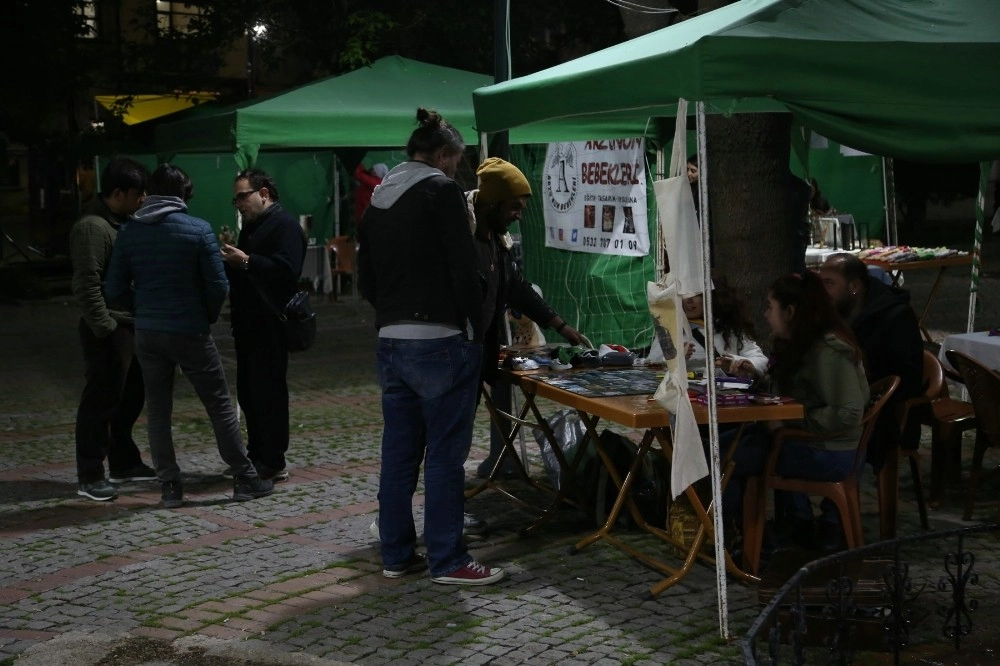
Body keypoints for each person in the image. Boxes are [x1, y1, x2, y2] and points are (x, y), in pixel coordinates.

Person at [358, 108, 503, 586]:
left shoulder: (379, 196)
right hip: (441, 338)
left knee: (399, 454)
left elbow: (366, 278)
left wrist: (390, 313)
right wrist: (474, 327)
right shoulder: (440, 191)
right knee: (444, 455)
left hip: (391, 338)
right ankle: (448, 558)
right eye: (455, 162)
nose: (455, 172)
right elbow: (463, 268)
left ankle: (397, 554)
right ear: (441, 155)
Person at [105, 165, 274, 508]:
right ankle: (244, 477)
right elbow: (217, 285)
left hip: (149, 332)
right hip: (189, 329)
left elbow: (114, 290)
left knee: (158, 410)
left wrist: (143, 308)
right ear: (183, 195)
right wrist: (205, 316)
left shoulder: (130, 232)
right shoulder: (198, 230)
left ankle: (169, 487)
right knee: (219, 405)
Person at [725, 272, 869, 552]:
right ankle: (747, 535)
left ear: (790, 311)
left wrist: (789, 422)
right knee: (719, 447)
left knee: (727, 459)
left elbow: (849, 412)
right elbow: (793, 393)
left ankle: (741, 543)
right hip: (801, 439)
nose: (766, 315)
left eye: (770, 307)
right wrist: (755, 376)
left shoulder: (828, 350)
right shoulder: (801, 342)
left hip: (830, 452)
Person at [69, 156, 156, 501]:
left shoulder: (121, 222)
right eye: (138, 194)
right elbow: (86, 283)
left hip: (129, 324)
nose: (143, 200)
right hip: (110, 326)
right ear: (118, 192)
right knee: (101, 402)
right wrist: (105, 327)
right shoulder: (93, 227)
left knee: (129, 398)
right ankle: (90, 474)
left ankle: (123, 460)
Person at [220, 169, 306, 482]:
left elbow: (286, 270)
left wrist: (245, 261)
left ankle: (273, 458)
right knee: (250, 392)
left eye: (243, 196)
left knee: (269, 392)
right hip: (248, 325)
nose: (238, 203)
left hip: (271, 325)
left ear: (264, 194)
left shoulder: (284, 226)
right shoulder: (253, 227)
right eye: (236, 198)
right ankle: (256, 455)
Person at [819, 252, 923, 470]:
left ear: (854, 286)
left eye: (829, 283)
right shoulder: (835, 313)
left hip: (882, 415)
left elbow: (907, 379)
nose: (822, 291)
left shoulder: (895, 317)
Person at [681, 274, 768, 380]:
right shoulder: (671, 329)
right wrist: (675, 359)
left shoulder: (731, 328)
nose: (689, 299)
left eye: (697, 294)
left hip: (729, 395)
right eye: (685, 293)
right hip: (689, 394)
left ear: (712, 297)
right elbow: (655, 366)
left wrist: (737, 362)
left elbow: (760, 360)